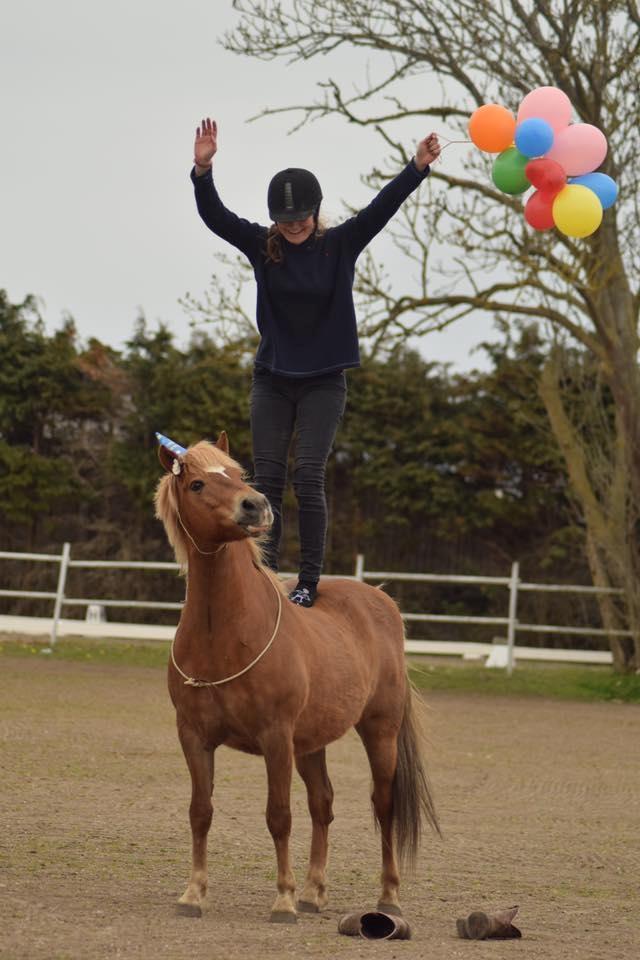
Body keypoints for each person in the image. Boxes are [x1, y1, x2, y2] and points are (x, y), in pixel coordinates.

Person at [191, 117, 441, 607]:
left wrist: (416, 167)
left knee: (307, 475)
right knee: (266, 481)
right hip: (273, 379)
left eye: (302, 217)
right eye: (286, 220)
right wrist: (203, 171)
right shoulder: (263, 248)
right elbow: (216, 217)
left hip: (324, 380)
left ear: (315, 211)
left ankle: (307, 581)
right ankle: (269, 573)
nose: (295, 225)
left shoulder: (339, 245)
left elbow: (381, 208)